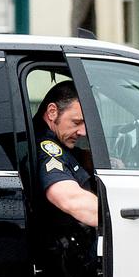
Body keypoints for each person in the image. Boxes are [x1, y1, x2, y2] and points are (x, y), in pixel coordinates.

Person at [33, 81, 98, 228]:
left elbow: (74, 157)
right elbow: (69, 199)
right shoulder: (45, 148)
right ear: (52, 112)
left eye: (85, 124)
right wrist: (118, 219)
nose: (83, 132)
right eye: (76, 122)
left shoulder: (59, 139)